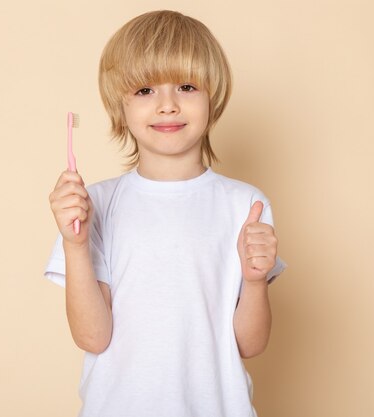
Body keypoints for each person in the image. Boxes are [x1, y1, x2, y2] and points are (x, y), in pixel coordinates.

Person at [45, 10, 286, 417]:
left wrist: (255, 281)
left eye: (187, 86)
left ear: (214, 97)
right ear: (119, 106)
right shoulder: (96, 205)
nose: (167, 106)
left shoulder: (245, 205)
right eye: (144, 91)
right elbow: (93, 337)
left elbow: (250, 345)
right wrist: (75, 244)